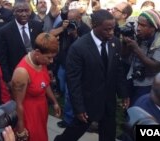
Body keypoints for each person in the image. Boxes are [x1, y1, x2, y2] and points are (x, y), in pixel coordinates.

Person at [54, 9, 130, 141]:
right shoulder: (79, 47)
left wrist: (123, 93)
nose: (111, 32)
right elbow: (73, 81)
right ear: (94, 26)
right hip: (88, 102)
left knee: (108, 134)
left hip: (108, 101)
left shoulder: (115, 43)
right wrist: (78, 108)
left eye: (113, 28)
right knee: (72, 134)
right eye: (107, 29)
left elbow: (118, 70)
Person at [11, 33, 61, 141]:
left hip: (41, 109)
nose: (51, 61)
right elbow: (17, 103)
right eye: (49, 57)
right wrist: (21, 129)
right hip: (29, 114)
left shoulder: (41, 61)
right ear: (37, 52)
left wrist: (54, 102)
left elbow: (45, 84)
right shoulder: (22, 73)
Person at [0, 0, 43, 82]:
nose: (24, 14)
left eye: (26, 11)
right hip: (16, 74)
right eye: (20, 11)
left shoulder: (38, 26)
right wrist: (8, 80)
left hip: (36, 71)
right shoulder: (5, 31)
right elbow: (2, 58)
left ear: (30, 11)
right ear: (14, 12)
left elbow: (42, 49)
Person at [122, 9, 160, 106]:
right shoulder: (137, 34)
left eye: (143, 25)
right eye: (138, 24)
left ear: (154, 28)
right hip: (132, 77)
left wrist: (136, 48)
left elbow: (155, 66)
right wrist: (125, 43)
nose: (138, 28)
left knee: (141, 108)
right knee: (129, 109)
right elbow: (124, 56)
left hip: (149, 83)